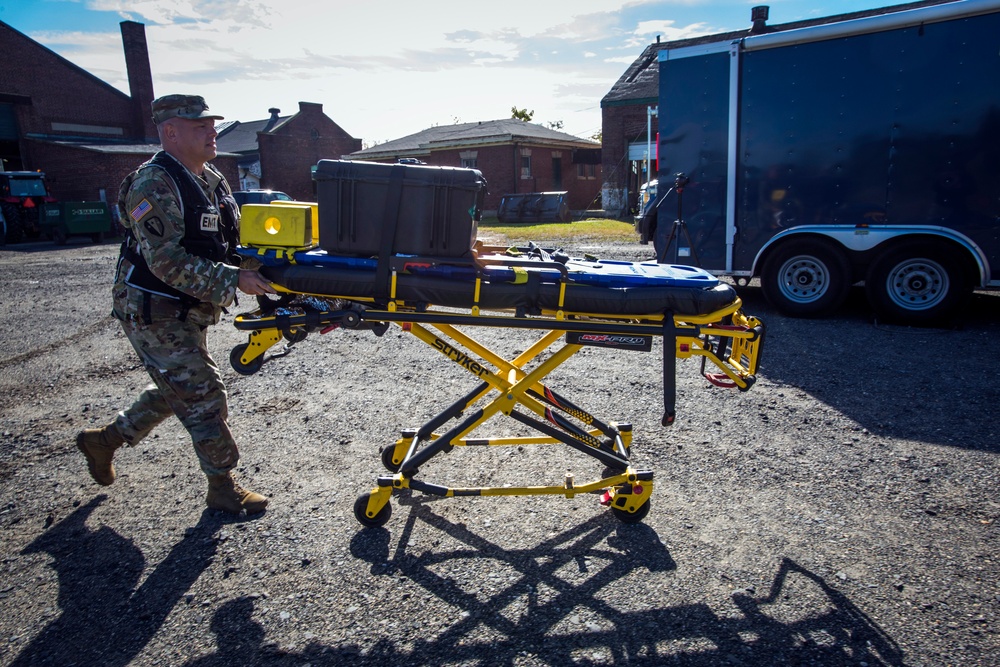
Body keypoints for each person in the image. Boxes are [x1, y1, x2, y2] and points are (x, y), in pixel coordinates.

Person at [76, 94, 275, 514]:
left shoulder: (211, 178)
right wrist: (232, 279)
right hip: (152, 306)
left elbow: (223, 243)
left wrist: (273, 267)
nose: (213, 132)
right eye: (200, 126)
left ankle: (103, 441)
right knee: (201, 391)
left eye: (211, 124)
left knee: (176, 389)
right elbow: (165, 260)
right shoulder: (153, 183)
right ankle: (222, 486)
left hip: (188, 304)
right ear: (170, 132)